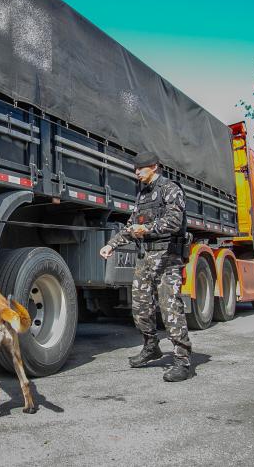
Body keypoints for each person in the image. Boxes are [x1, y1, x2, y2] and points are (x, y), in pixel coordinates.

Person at [99, 151, 192, 382]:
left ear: (155, 167)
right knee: (140, 309)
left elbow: (174, 221)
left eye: (140, 168)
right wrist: (111, 245)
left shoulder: (171, 189)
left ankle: (182, 360)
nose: (136, 172)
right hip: (145, 259)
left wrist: (148, 229)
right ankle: (151, 346)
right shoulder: (142, 196)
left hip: (168, 258)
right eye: (135, 169)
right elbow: (132, 226)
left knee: (170, 308)